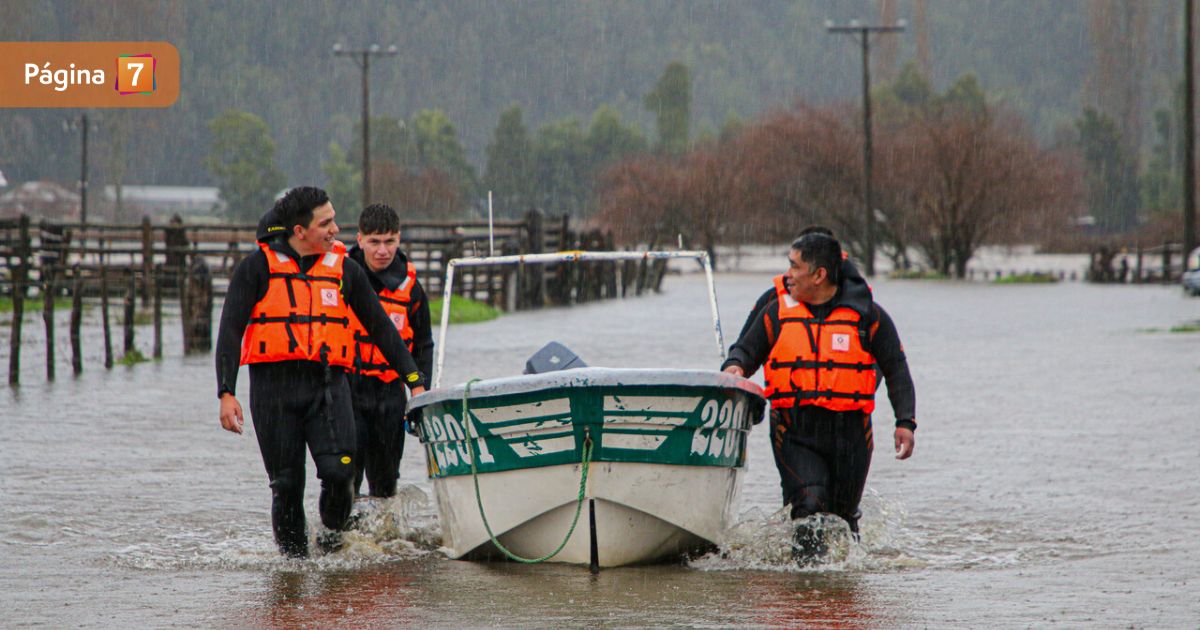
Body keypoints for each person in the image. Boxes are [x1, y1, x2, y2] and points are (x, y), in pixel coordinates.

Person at [215, 186, 427, 558]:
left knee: (341, 472)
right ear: (300, 231)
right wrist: (225, 391)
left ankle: (332, 538)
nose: (335, 229)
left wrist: (416, 383)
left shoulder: (345, 270)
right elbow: (230, 330)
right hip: (273, 392)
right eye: (326, 222)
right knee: (286, 484)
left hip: (328, 386)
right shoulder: (257, 268)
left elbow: (382, 329)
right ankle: (294, 568)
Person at [721, 233, 915, 560]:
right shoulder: (776, 311)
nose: (788, 275)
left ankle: (840, 592)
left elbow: (895, 368)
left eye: (795, 266)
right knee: (809, 507)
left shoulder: (869, 315)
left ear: (819, 274)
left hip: (851, 433)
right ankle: (806, 593)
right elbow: (745, 350)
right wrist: (735, 367)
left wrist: (905, 422)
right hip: (795, 432)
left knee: (843, 518)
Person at [345, 203, 434, 499]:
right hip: (348, 390)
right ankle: (343, 540)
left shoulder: (412, 289)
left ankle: (384, 542)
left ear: (398, 239)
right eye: (374, 242)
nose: (382, 250)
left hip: (390, 395)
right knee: (345, 476)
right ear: (360, 240)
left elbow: (423, 344)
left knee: (385, 484)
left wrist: (421, 394)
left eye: (389, 242)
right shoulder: (340, 278)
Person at [732, 226, 865, 345]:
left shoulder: (858, 304)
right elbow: (744, 349)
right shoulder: (772, 301)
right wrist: (735, 363)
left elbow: (876, 360)